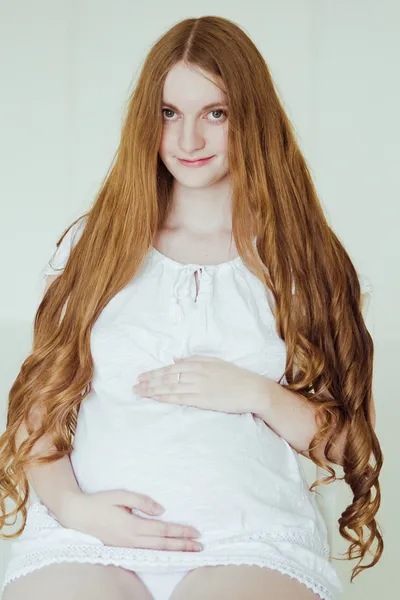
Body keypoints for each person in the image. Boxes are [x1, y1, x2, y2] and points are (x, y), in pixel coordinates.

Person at [0, 15, 383, 600]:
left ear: (250, 118)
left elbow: (348, 443)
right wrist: (76, 509)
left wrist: (257, 394)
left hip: (250, 540)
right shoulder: (95, 245)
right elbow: (38, 414)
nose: (188, 141)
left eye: (216, 114)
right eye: (169, 113)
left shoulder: (301, 258)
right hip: (87, 540)